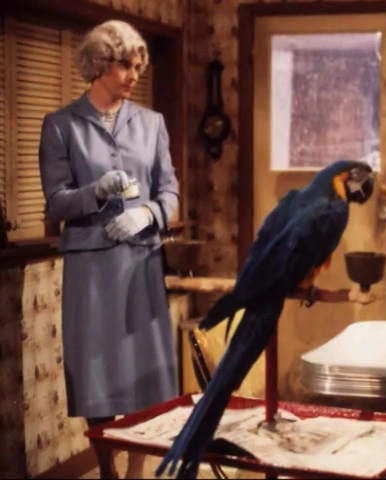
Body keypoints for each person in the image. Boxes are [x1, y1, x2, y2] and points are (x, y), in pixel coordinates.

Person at [38, 20, 179, 479]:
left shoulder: (152, 124)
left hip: (141, 261)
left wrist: (150, 214)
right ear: (99, 64)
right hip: (91, 268)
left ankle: (136, 471)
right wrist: (96, 192)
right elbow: (56, 202)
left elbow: (170, 193)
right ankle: (107, 471)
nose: (134, 75)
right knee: (95, 373)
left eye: (138, 66)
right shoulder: (61, 126)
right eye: (125, 65)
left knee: (145, 374)